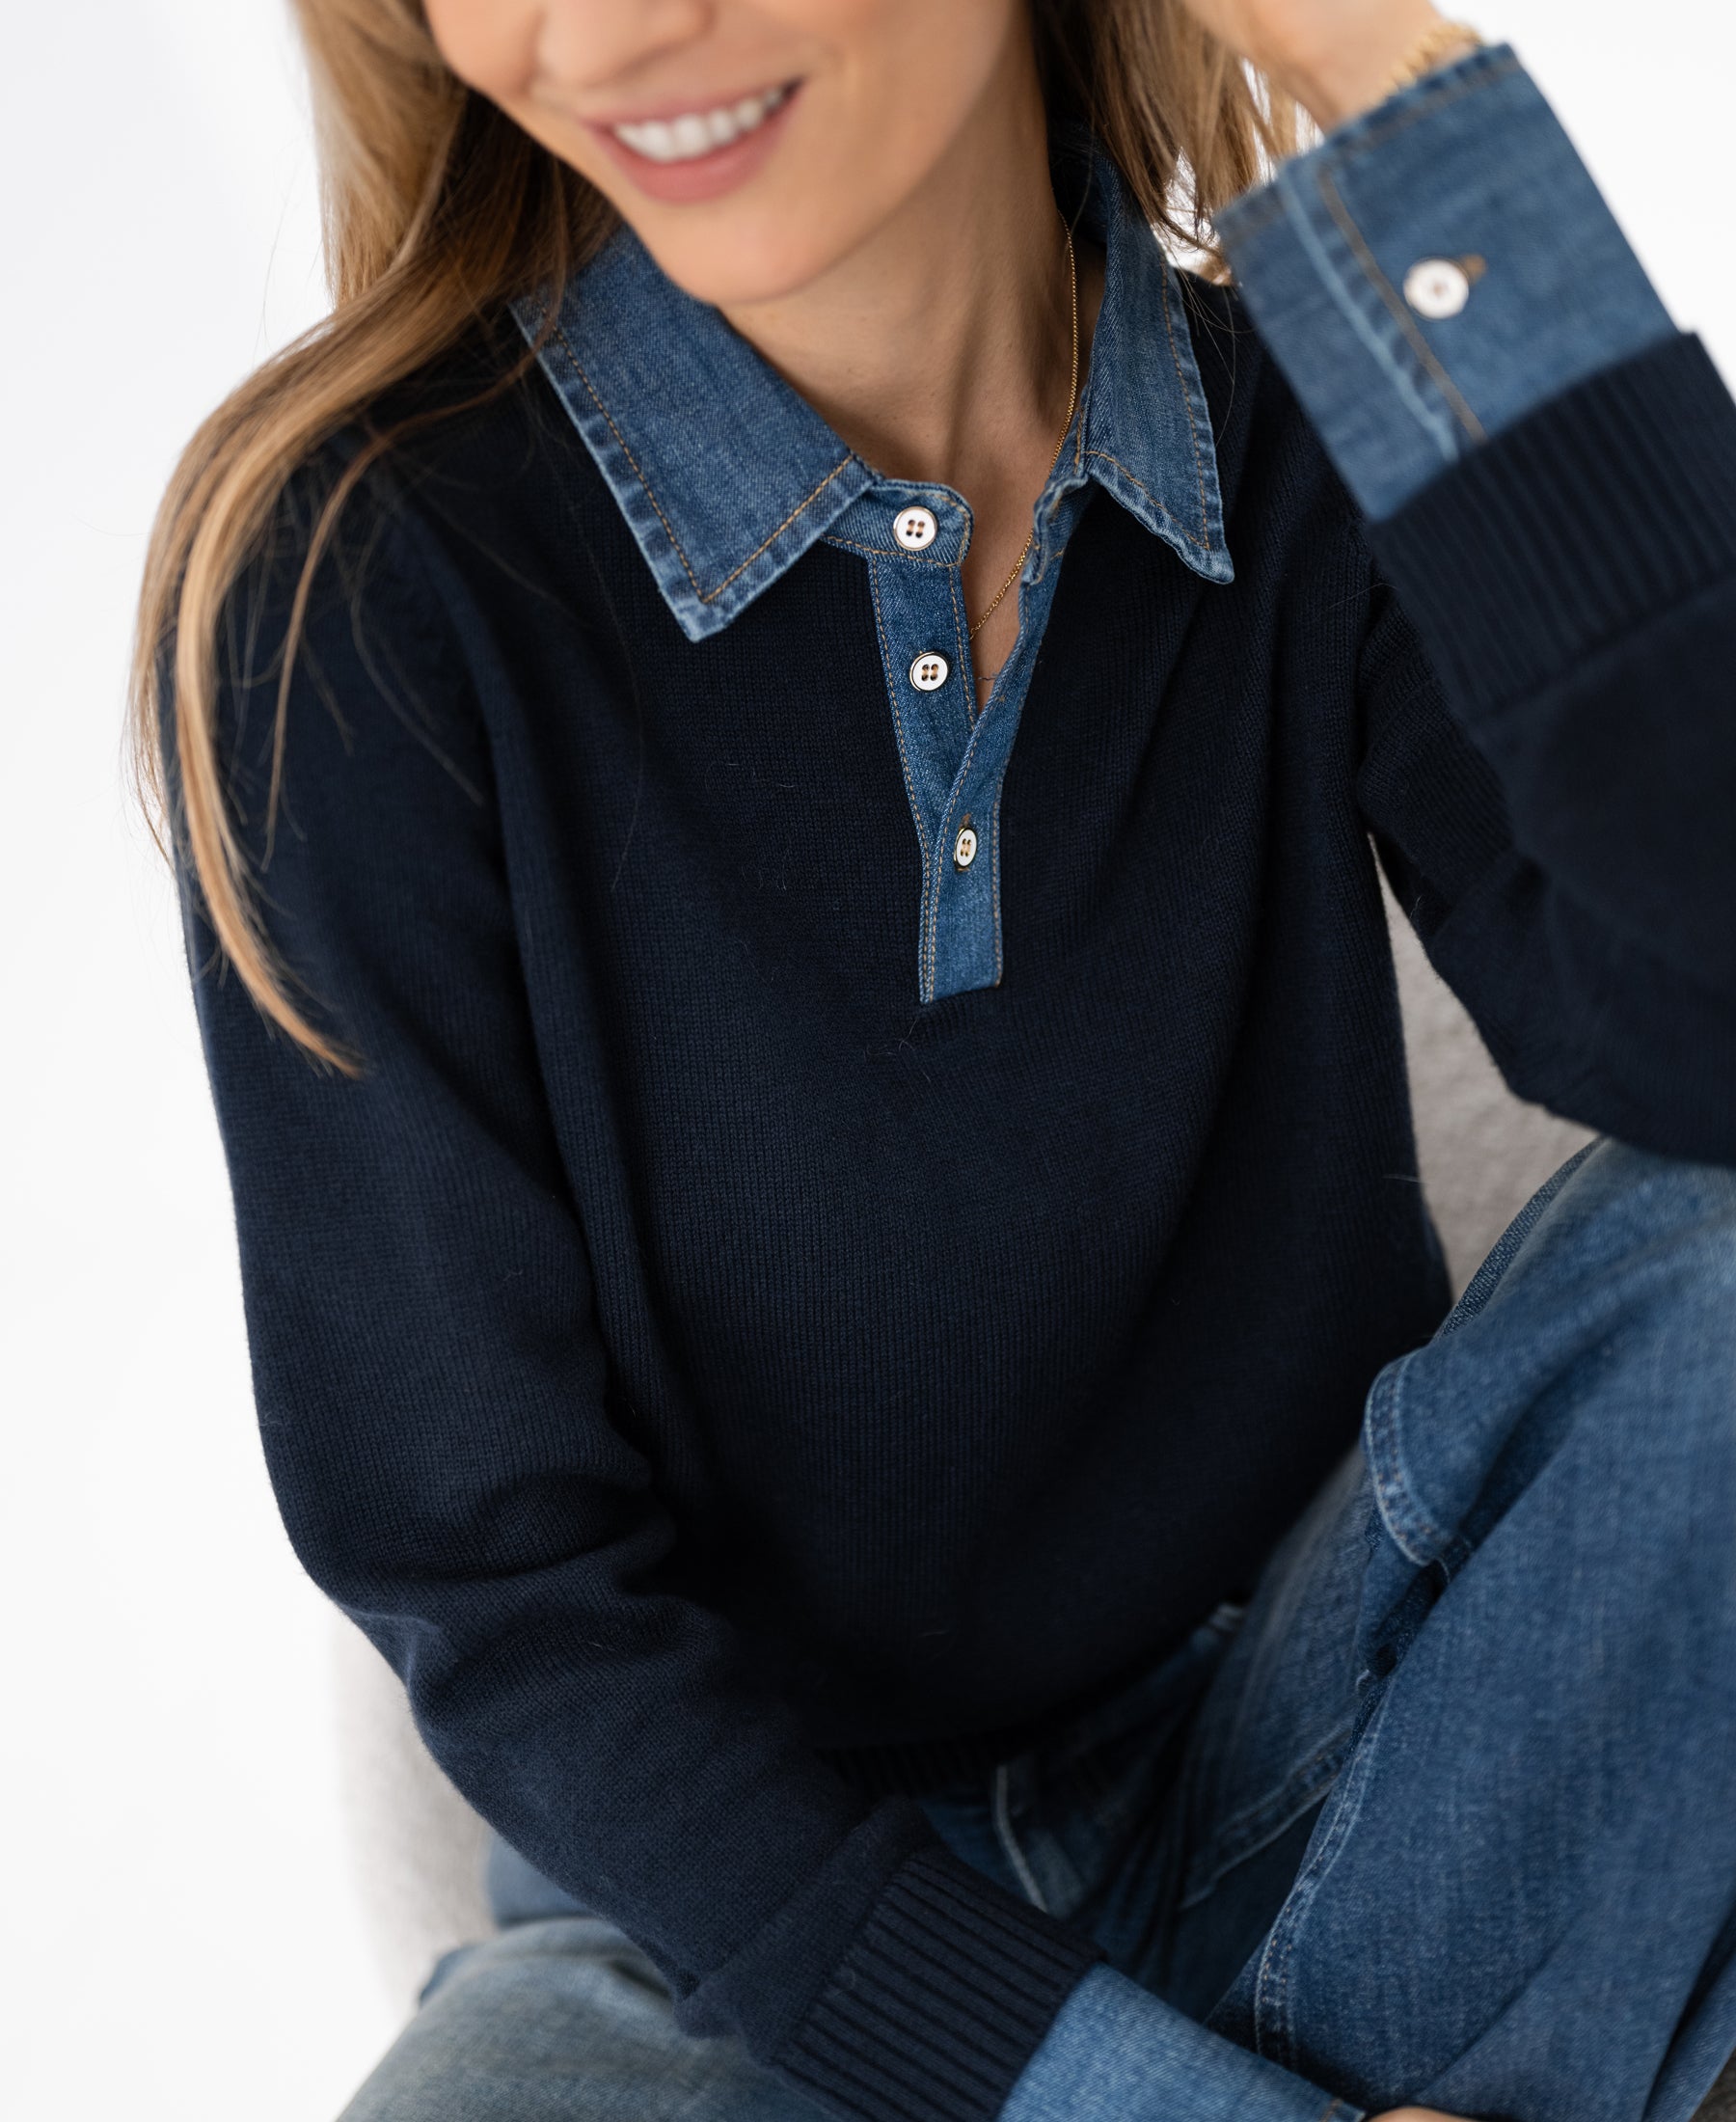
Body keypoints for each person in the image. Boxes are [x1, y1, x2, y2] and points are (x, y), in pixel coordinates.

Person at [132, 0, 1736, 2118]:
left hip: (1337, 1772)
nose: (600, 31)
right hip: (742, 1957)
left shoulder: (1309, 428)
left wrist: (1390, 91)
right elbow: (509, 1602)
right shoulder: (356, 590)